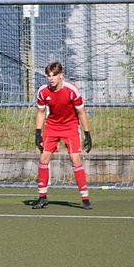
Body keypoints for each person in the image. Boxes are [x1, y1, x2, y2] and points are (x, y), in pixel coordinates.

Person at [33, 61, 93, 209]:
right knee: (44, 158)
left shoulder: (71, 90)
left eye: (54, 75)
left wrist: (87, 133)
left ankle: (85, 198)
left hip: (70, 126)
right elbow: (41, 112)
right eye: (48, 76)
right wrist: (38, 132)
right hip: (52, 127)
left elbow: (81, 112)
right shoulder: (43, 91)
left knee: (75, 159)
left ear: (61, 75)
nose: (51, 79)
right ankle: (42, 197)